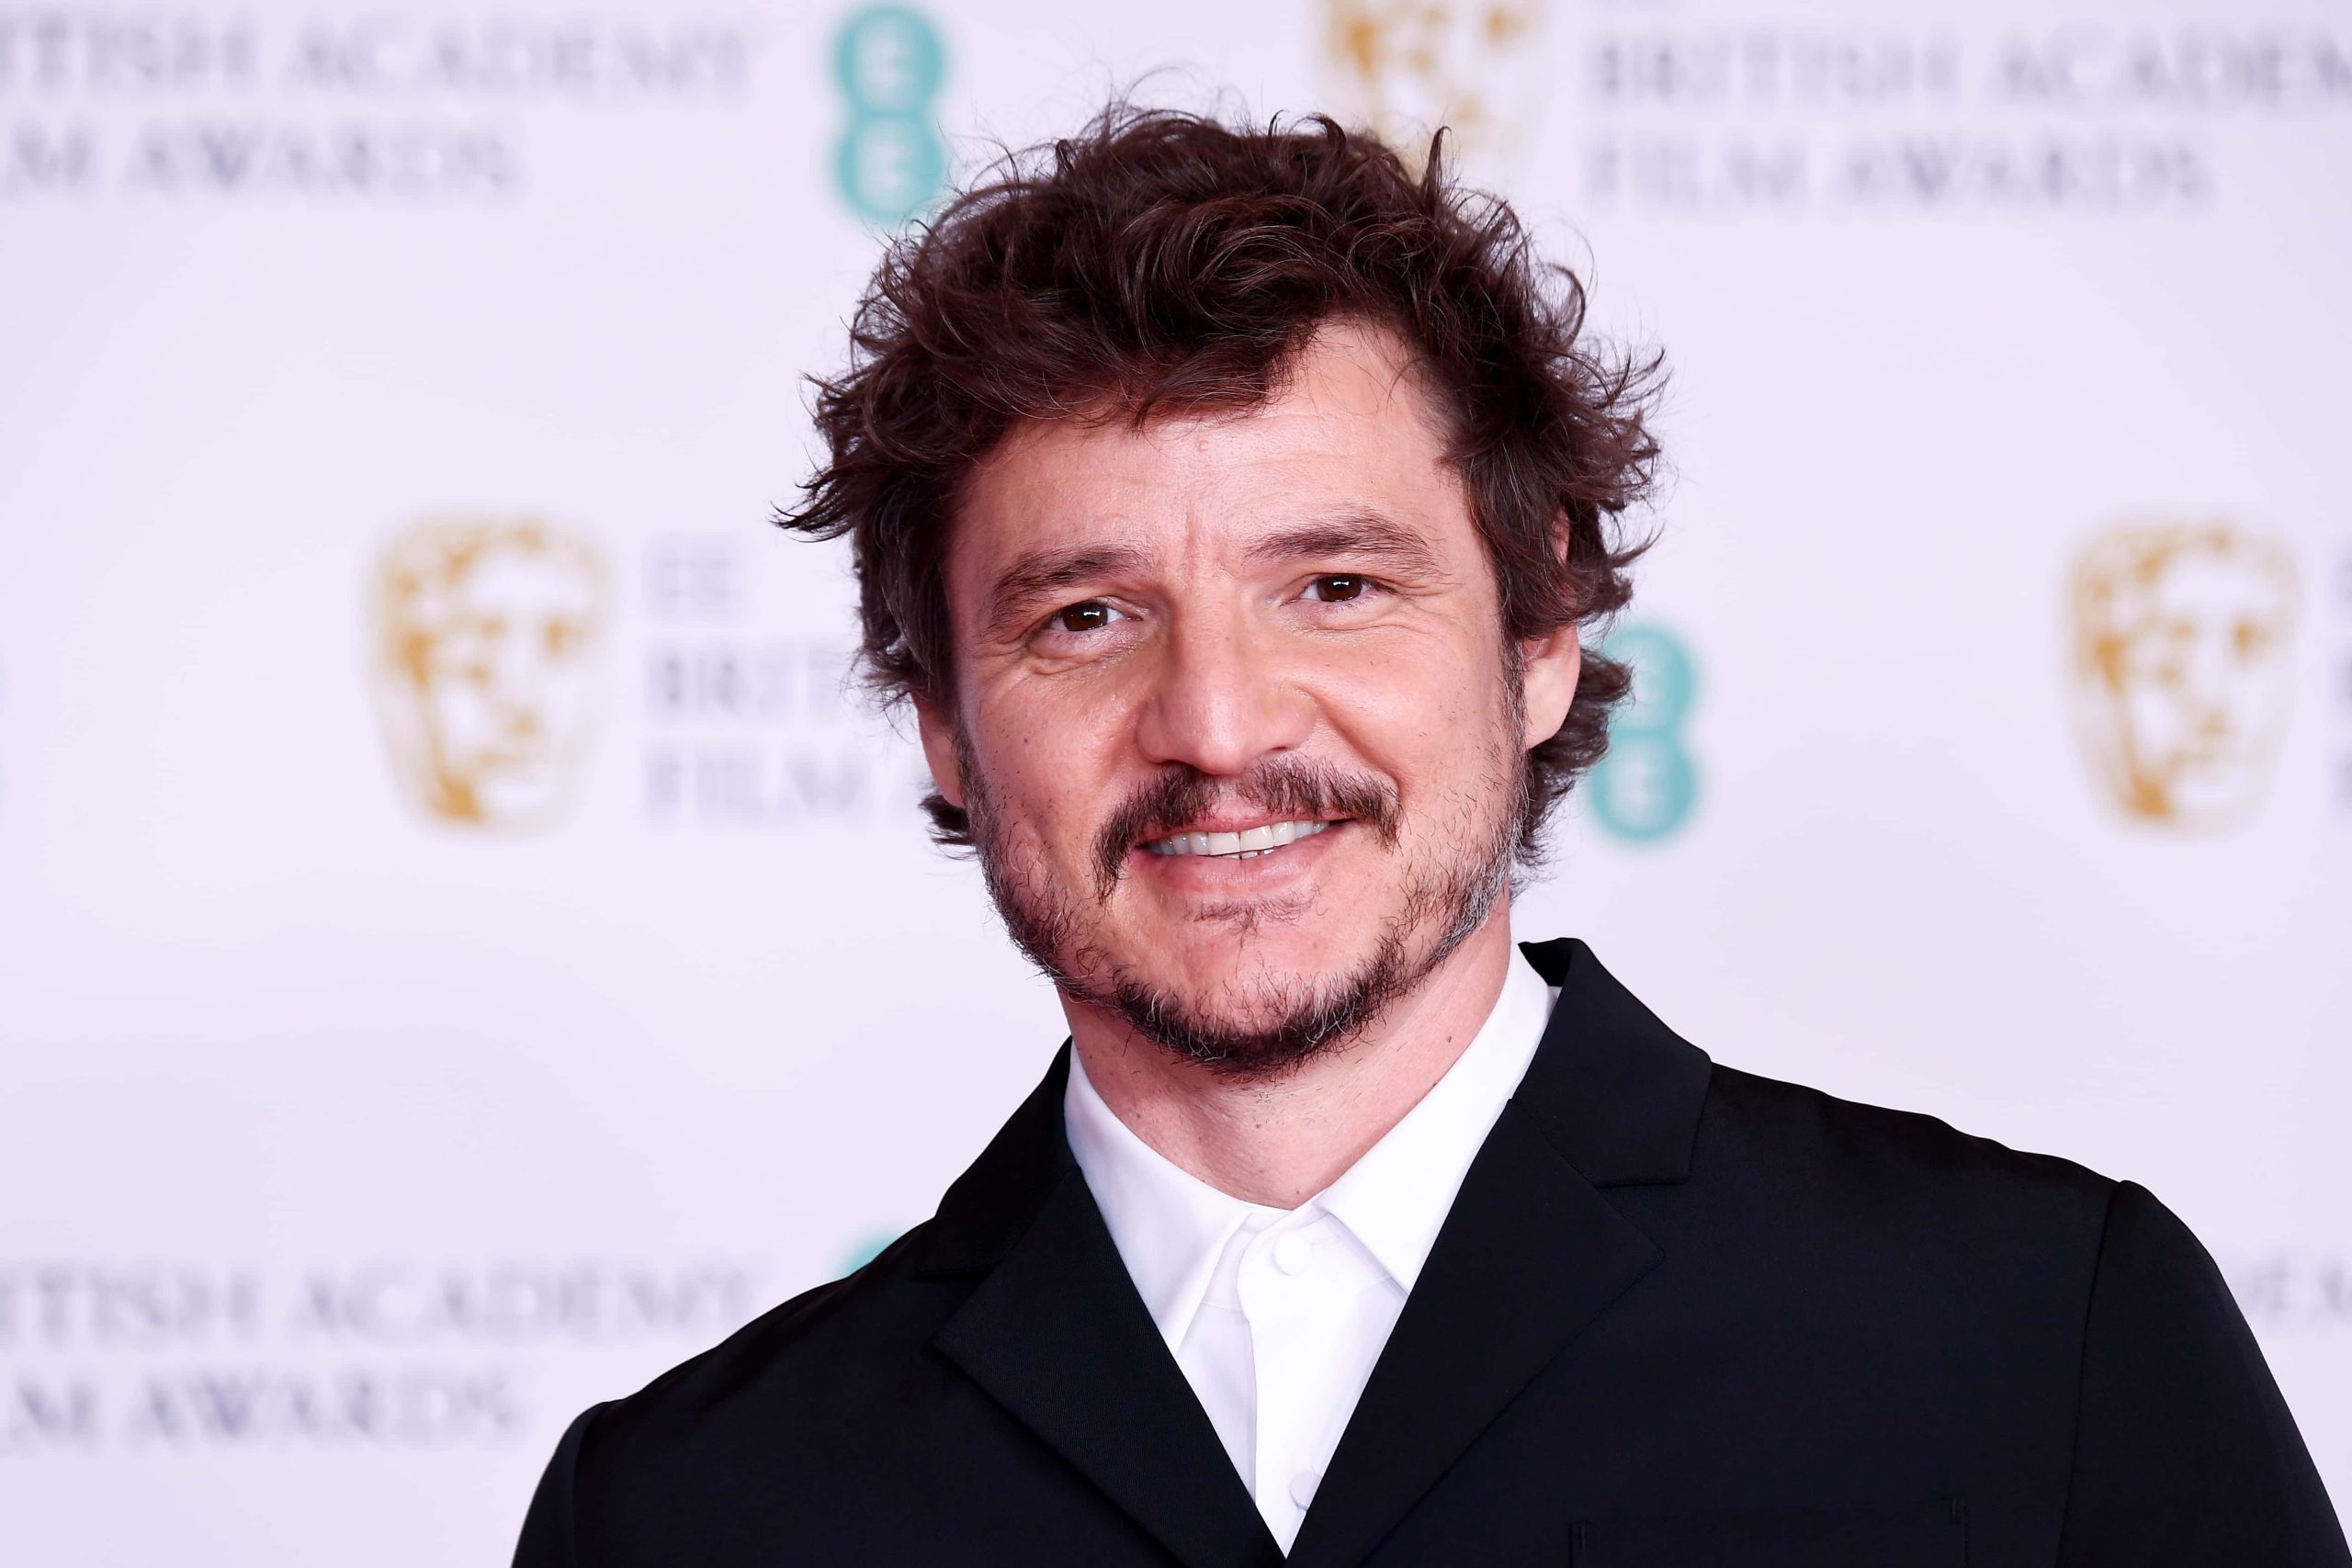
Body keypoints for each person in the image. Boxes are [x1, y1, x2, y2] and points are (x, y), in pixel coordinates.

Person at [513, 107, 2346, 1566]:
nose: (1219, 724)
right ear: (938, 718)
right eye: (1086, 616)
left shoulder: (2044, 1343)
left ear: (1538, 640)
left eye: (1332, 585)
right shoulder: (684, 1513)